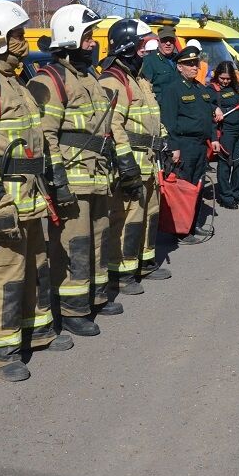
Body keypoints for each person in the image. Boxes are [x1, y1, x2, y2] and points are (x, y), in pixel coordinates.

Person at [0, 0, 74, 382]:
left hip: (32, 196)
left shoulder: (15, 81)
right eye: (18, 35)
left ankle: (36, 330)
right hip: (4, 198)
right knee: (3, 274)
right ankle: (2, 350)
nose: (24, 41)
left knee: (35, 267)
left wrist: (53, 183)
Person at [27, 5, 125, 338]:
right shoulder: (51, 79)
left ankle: (94, 296)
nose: (92, 43)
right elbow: (46, 134)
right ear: (70, 37)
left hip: (97, 175)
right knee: (74, 244)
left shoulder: (89, 77)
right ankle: (72, 309)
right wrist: (57, 181)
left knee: (98, 237)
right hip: (73, 176)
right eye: (87, 37)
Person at [100, 18, 171, 291]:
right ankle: (123, 272)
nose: (146, 49)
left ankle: (145, 262)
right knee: (127, 217)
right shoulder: (113, 80)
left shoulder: (138, 78)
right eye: (142, 44)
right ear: (127, 46)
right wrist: (125, 162)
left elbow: (153, 114)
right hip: (130, 164)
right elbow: (113, 125)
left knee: (149, 214)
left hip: (149, 162)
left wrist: (163, 140)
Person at [160, 45, 223, 241]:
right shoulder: (172, 89)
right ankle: (180, 230)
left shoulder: (200, 89)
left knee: (197, 186)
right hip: (183, 145)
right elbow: (168, 121)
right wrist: (174, 147)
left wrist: (213, 137)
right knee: (183, 189)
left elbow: (208, 116)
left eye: (195, 63)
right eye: (189, 64)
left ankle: (193, 224)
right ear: (179, 67)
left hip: (199, 145)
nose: (194, 67)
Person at [210, 61, 239, 209]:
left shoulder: (236, 85)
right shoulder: (212, 88)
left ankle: (237, 193)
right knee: (225, 165)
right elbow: (206, 103)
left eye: (228, 78)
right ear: (217, 76)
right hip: (225, 131)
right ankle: (226, 197)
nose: (225, 81)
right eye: (222, 78)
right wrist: (215, 108)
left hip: (238, 131)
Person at [141, 26, 180, 99]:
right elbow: (146, 90)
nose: (168, 43)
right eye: (164, 40)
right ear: (158, 41)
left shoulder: (179, 59)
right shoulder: (149, 60)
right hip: (161, 106)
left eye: (171, 40)